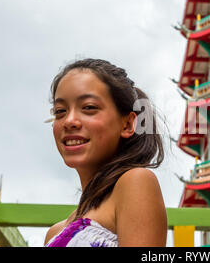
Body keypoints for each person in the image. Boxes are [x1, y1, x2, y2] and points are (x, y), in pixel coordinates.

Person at [44, 59, 167, 247]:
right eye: (60, 111)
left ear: (127, 124)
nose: (69, 121)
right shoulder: (55, 232)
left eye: (89, 107)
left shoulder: (136, 182)